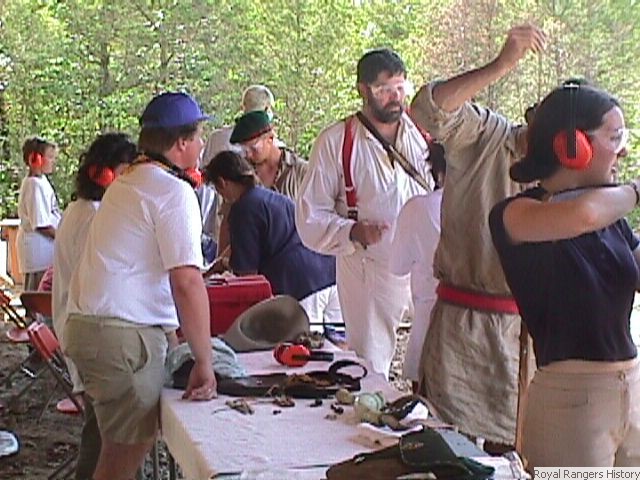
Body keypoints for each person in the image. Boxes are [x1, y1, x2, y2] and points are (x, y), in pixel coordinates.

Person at [63, 92, 216, 480]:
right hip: (121, 338)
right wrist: (205, 361)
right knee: (120, 462)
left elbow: (138, 275)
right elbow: (187, 282)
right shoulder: (172, 191)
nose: (202, 144)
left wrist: (174, 337)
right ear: (181, 143)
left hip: (92, 329)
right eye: (199, 136)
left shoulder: (127, 183)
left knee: (111, 449)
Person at [408, 24, 545, 450]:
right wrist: (501, 64)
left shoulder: (577, 177)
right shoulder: (488, 137)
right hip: (462, 337)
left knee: (524, 456)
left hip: (533, 341)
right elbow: (428, 109)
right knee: (451, 453)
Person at [489, 83, 639, 467]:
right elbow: (582, 215)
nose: (622, 150)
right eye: (614, 137)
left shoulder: (611, 218)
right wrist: (636, 192)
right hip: (571, 400)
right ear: (573, 146)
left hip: (632, 389)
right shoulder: (515, 213)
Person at [295, 48, 433, 376]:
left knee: (432, 354)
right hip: (369, 267)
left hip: (425, 264)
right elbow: (310, 215)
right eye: (384, 89)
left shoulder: (422, 134)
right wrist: (353, 232)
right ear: (363, 90)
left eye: (400, 87)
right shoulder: (336, 142)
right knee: (371, 360)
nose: (395, 97)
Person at [51, 133, 136, 480]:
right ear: (104, 174)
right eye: (126, 172)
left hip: (83, 327)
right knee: (103, 437)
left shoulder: (83, 210)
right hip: (90, 331)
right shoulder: (92, 216)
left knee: (103, 432)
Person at [204, 150, 341, 327]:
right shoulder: (270, 198)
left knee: (305, 342)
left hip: (301, 287)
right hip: (330, 275)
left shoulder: (243, 209)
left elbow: (248, 277)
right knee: (338, 339)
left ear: (223, 182)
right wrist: (217, 265)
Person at [199, 85, 278, 263]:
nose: (248, 154)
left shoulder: (216, 138)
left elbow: (204, 182)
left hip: (227, 229)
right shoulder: (270, 145)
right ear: (266, 109)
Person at [389, 143, 446, 392]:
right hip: (485, 328)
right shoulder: (497, 208)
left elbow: (397, 266)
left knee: (426, 407)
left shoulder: (418, 209)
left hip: (430, 323)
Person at [16, 137, 61, 290]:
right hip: (38, 255)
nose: (53, 161)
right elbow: (41, 224)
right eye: (50, 157)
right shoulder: (34, 185)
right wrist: (62, 237)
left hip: (44, 253)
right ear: (35, 159)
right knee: (37, 294)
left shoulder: (41, 181)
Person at [230, 110, 308, 199]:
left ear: (270, 138)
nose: (249, 155)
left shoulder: (301, 171)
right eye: (245, 150)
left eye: (254, 148)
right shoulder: (242, 173)